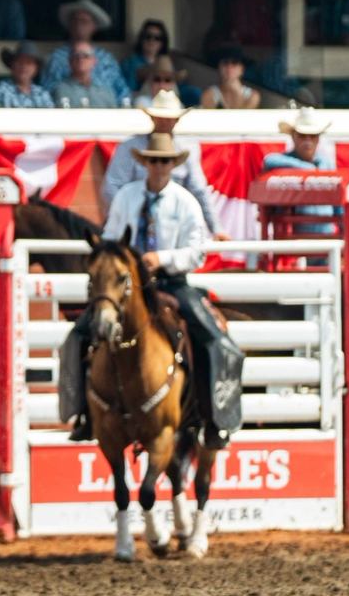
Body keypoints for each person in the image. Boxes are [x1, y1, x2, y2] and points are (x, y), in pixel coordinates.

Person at [58, 132, 243, 448]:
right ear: (145, 164)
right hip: (128, 285)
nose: (159, 167)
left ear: (173, 165)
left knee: (214, 338)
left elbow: (196, 251)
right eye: (154, 161)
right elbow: (112, 237)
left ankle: (215, 418)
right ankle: (85, 415)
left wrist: (163, 259)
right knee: (78, 336)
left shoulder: (184, 202)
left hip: (171, 282)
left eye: (165, 161)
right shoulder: (127, 197)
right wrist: (121, 259)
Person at [102, 89, 223, 233]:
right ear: (152, 118)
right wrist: (129, 219)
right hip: (133, 223)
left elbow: (199, 190)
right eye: (153, 161)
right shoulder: (129, 147)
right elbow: (111, 187)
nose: (165, 122)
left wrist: (216, 229)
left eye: (165, 161)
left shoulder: (187, 147)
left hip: (175, 223)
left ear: (177, 120)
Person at [262, 107, 337, 233]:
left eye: (312, 136)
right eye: (302, 136)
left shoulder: (326, 163)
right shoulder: (283, 160)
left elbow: (338, 201)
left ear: (318, 139)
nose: (308, 141)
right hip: (294, 236)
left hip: (326, 232)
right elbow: (269, 160)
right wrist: (307, 168)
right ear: (293, 137)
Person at [41, 0, 129, 99]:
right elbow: (46, 92)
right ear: (69, 25)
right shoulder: (56, 58)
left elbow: (122, 91)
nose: (79, 25)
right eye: (75, 21)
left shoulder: (107, 59)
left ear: (94, 27)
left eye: (84, 21)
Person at [50, 46, 120, 108]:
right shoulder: (59, 90)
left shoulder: (106, 92)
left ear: (94, 61)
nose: (81, 59)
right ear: (70, 61)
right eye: (76, 56)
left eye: (86, 56)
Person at [119, 19, 171, 95]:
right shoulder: (129, 64)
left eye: (157, 38)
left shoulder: (166, 62)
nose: (152, 40)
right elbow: (128, 92)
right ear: (141, 39)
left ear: (162, 43)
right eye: (148, 36)